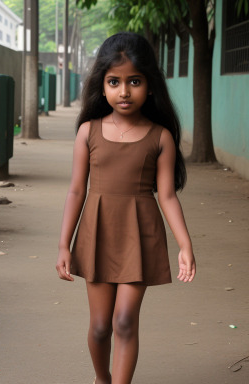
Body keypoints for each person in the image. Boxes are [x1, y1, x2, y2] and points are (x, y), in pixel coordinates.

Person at [56, 32, 196, 384]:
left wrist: (185, 244)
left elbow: (166, 196)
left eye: (134, 81)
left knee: (123, 321)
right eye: (114, 82)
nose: (124, 91)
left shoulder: (160, 137)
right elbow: (76, 191)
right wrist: (64, 245)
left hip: (140, 235)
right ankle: (102, 378)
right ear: (101, 86)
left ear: (149, 85)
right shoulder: (88, 132)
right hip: (97, 233)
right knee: (101, 326)